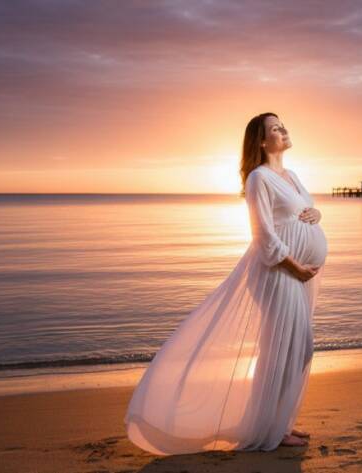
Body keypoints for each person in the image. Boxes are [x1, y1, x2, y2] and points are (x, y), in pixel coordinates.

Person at [125, 112, 328, 455]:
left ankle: (278, 423)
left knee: (294, 349)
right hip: (279, 274)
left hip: (300, 275)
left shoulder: (290, 175)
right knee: (285, 349)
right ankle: (270, 431)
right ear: (262, 142)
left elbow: (305, 211)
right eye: (275, 128)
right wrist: (294, 266)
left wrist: (316, 215)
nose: (283, 129)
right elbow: (263, 234)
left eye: (283, 124)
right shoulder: (259, 179)